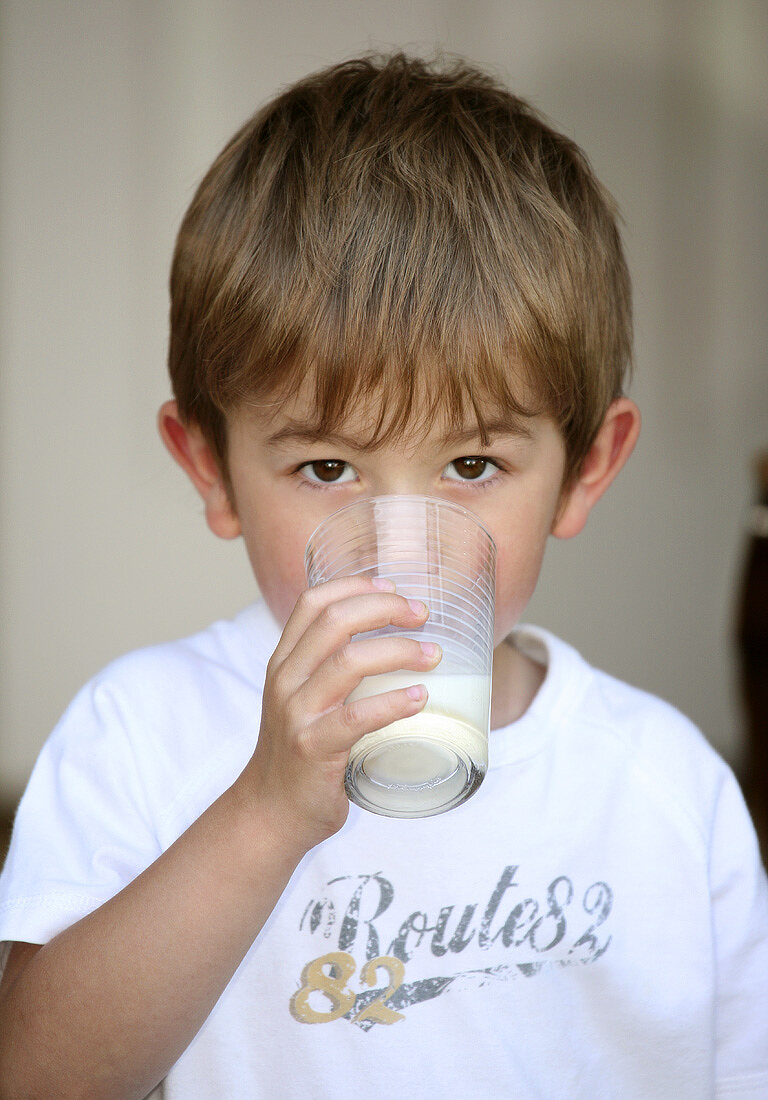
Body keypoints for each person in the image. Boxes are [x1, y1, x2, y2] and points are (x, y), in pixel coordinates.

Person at [0, 53, 766, 1099]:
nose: (401, 550)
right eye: (326, 467)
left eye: (472, 465)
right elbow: (35, 1075)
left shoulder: (668, 791)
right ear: (211, 469)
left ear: (584, 472)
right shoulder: (142, 733)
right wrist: (265, 812)